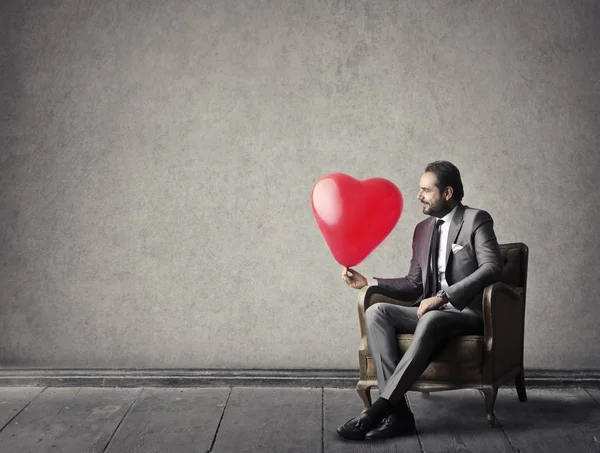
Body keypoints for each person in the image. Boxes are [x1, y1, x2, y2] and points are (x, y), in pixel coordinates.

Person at [336, 160, 503, 441]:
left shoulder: (476, 220)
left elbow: (492, 267)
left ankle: (377, 410)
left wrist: (442, 297)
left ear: (447, 193)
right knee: (377, 311)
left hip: (465, 312)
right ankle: (400, 415)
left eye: (426, 190)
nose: (419, 195)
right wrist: (370, 283)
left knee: (432, 316)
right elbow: (414, 284)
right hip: (428, 311)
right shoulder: (422, 229)